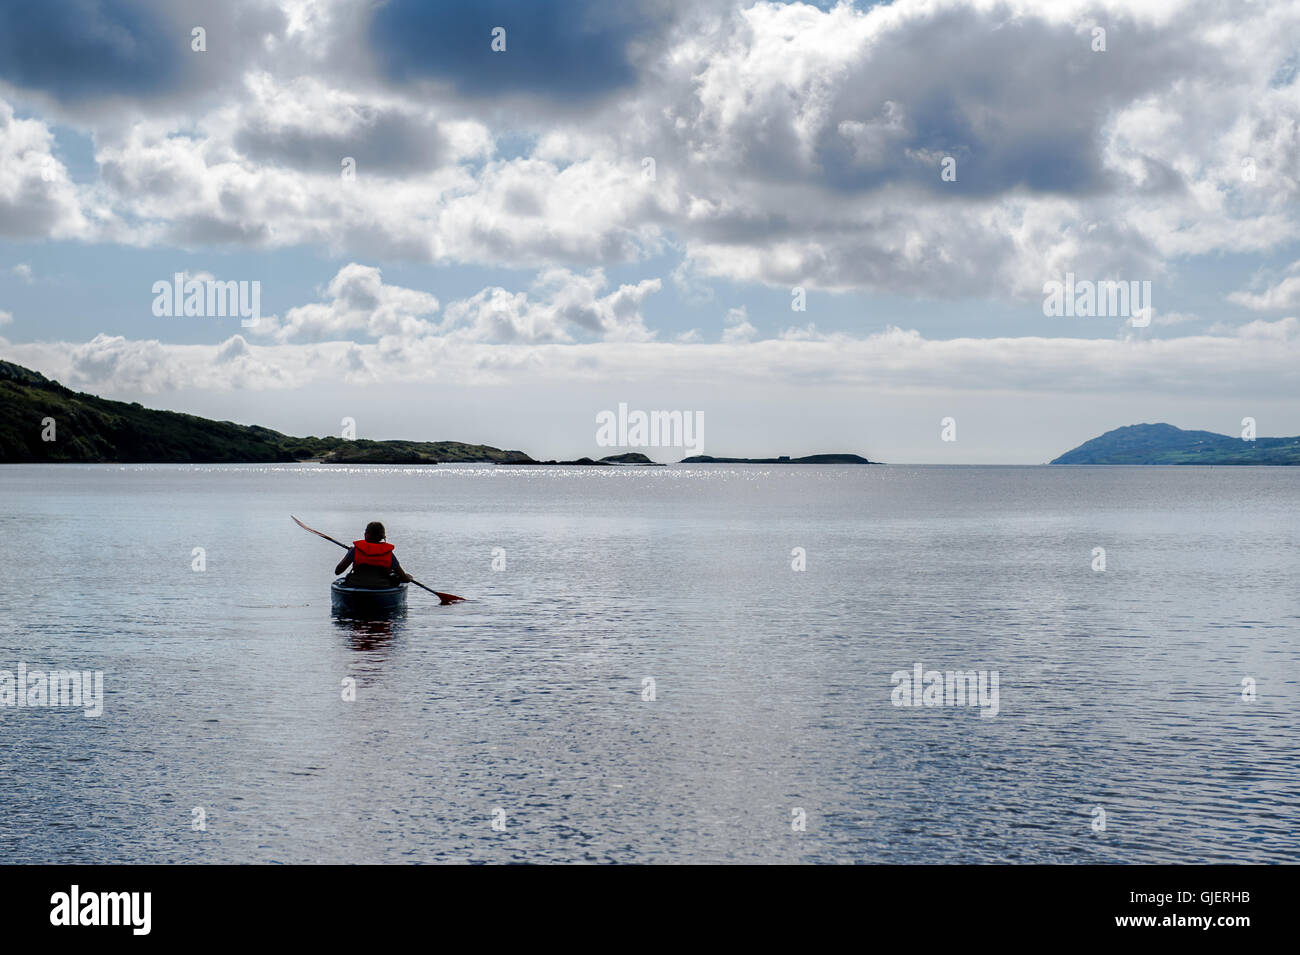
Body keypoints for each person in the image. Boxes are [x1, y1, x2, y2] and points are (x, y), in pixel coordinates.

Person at [335, 521, 414, 589]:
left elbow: (338, 571)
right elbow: (404, 578)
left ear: (367, 534)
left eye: (365, 531)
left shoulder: (355, 550)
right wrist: (409, 577)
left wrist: (349, 553)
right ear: (382, 537)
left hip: (356, 583)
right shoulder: (388, 553)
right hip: (382, 586)